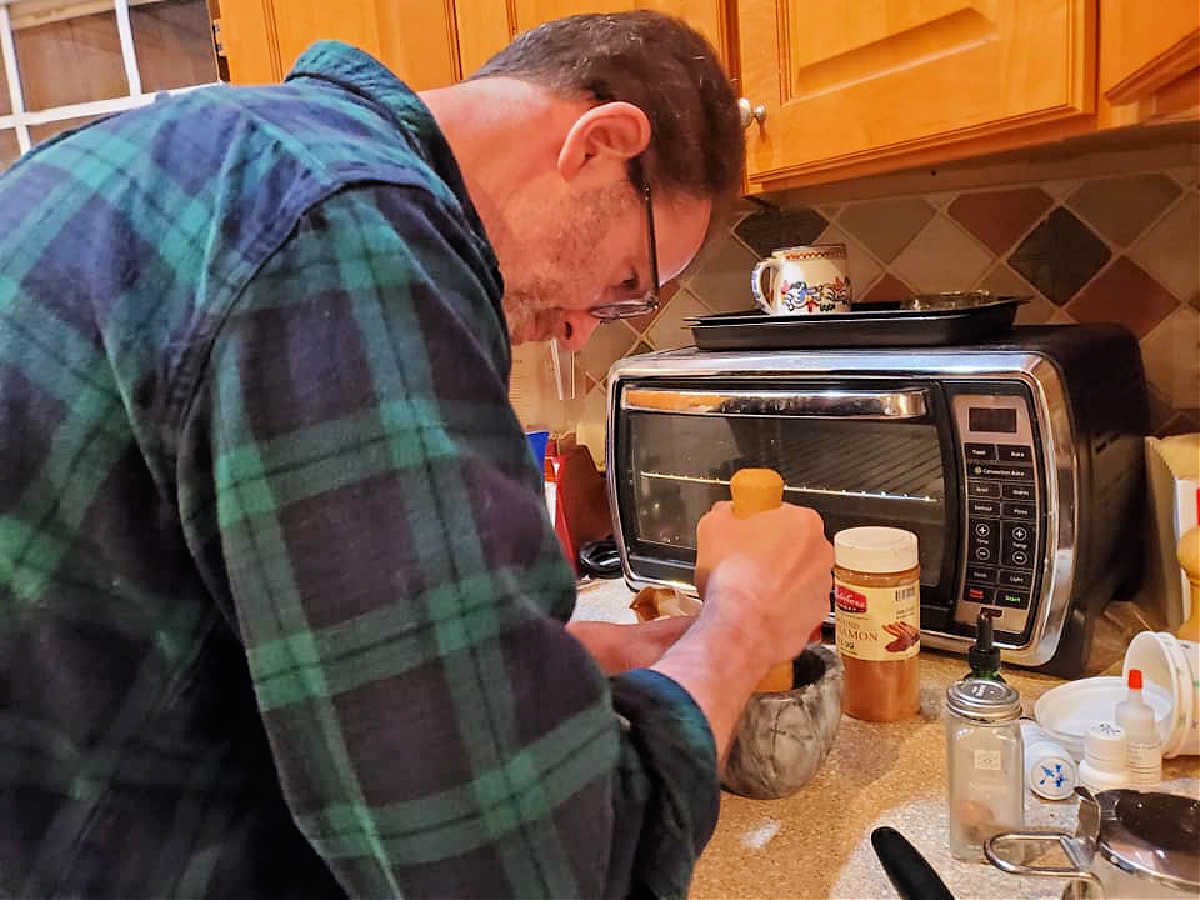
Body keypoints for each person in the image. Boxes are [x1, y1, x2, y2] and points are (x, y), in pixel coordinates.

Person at [0, 11, 833, 898]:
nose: (584, 325)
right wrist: (739, 624)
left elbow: (213, 624)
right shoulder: (347, 231)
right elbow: (528, 870)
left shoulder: (181, 153)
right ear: (602, 142)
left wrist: (551, 660)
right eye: (627, 284)